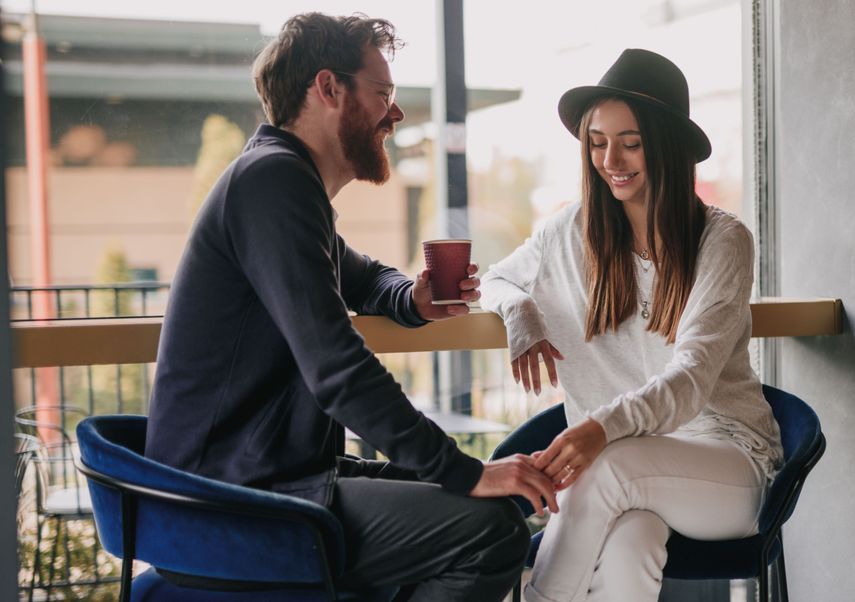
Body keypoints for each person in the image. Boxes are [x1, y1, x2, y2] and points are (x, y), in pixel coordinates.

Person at [144, 12, 557, 601]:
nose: (396, 113)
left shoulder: (285, 184)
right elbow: (339, 370)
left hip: (265, 480)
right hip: (229, 504)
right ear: (329, 89)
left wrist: (410, 299)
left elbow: (365, 277)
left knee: (461, 501)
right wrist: (467, 471)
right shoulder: (273, 184)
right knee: (489, 532)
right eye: (384, 93)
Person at [480, 48, 785, 601]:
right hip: (636, 469)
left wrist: (598, 428)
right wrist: (520, 312)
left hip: (728, 463)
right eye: (597, 142)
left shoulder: (721, 240)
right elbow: (496, 281)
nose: (610, 159)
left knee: (605, 469)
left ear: (666, 144)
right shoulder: (568, 233)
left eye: (631, 142)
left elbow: (691, 379)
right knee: (629, 548)